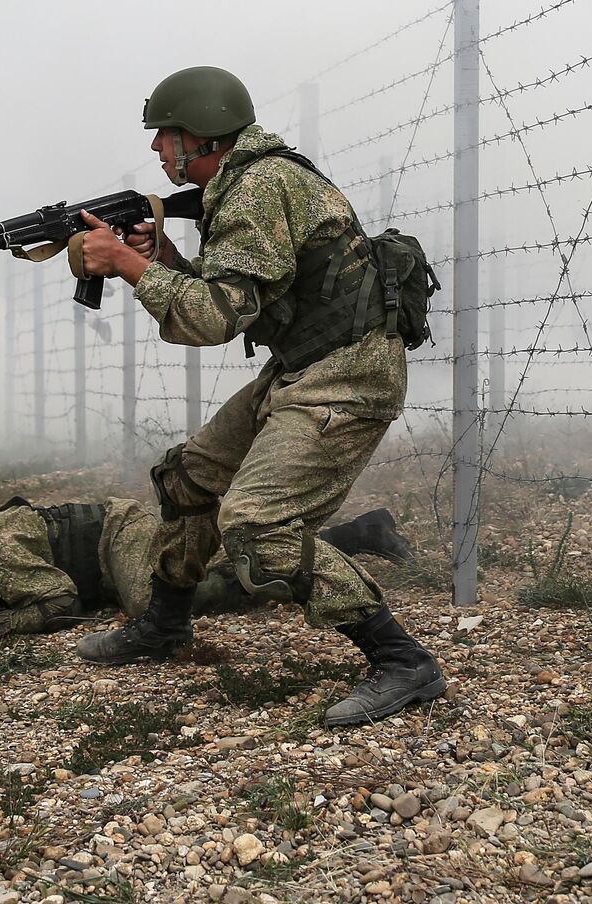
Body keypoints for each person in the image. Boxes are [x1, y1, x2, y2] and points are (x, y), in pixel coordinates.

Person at [69, 65, 445, 727]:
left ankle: (402, 660)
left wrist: (128, 266)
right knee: (189, 479)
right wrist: (160, 262)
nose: (157, 147)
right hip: (307, 365)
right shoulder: (246, 183)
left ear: (203, 135)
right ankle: (164, 624)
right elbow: (237, 301)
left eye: (166, 134)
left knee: (258, 526)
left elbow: (212, 320)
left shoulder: (259, 186)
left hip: (347, 377)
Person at [0, 492, 413, 640]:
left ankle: (315, 556)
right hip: (106, 553)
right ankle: (362, 532)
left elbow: (60, 602)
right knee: (207, 564)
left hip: (115, 537)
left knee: (165, 604)